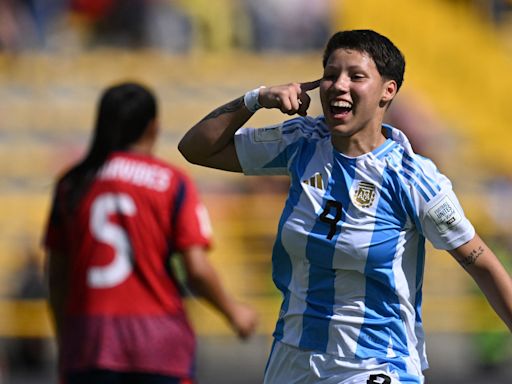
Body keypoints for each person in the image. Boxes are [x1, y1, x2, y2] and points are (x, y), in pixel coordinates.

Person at [178, 29, 512, 384]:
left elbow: (485, 266)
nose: (338, 85)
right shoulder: (301, 143)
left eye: (356, 76)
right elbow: (197, 148)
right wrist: (256, 99)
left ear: (388, 91)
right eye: (330, 75)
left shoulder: (412, 178)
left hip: (374, 365)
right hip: (292, 361)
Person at [43, 82, 258, 384]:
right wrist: (233, 311)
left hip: (90, 341)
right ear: (153, 127)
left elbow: (57, 276)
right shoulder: (171, 183)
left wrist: (68, 339)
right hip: (158, 343)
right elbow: (195, 269)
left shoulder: (72, 184)